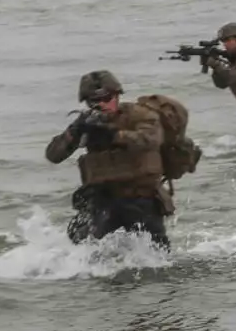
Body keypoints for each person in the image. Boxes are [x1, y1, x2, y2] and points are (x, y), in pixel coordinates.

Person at [44, 70, 170, 247]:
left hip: (140, 197)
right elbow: (53, 155)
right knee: (80, 247)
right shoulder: (87, 122)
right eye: (94, 101)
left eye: (107, 98)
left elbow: (150, 139)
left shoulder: (140, 115)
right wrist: (73, 132)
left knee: (157, 254)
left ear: (117, 96)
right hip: (103, 199)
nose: (102, 104)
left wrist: (114, 136)